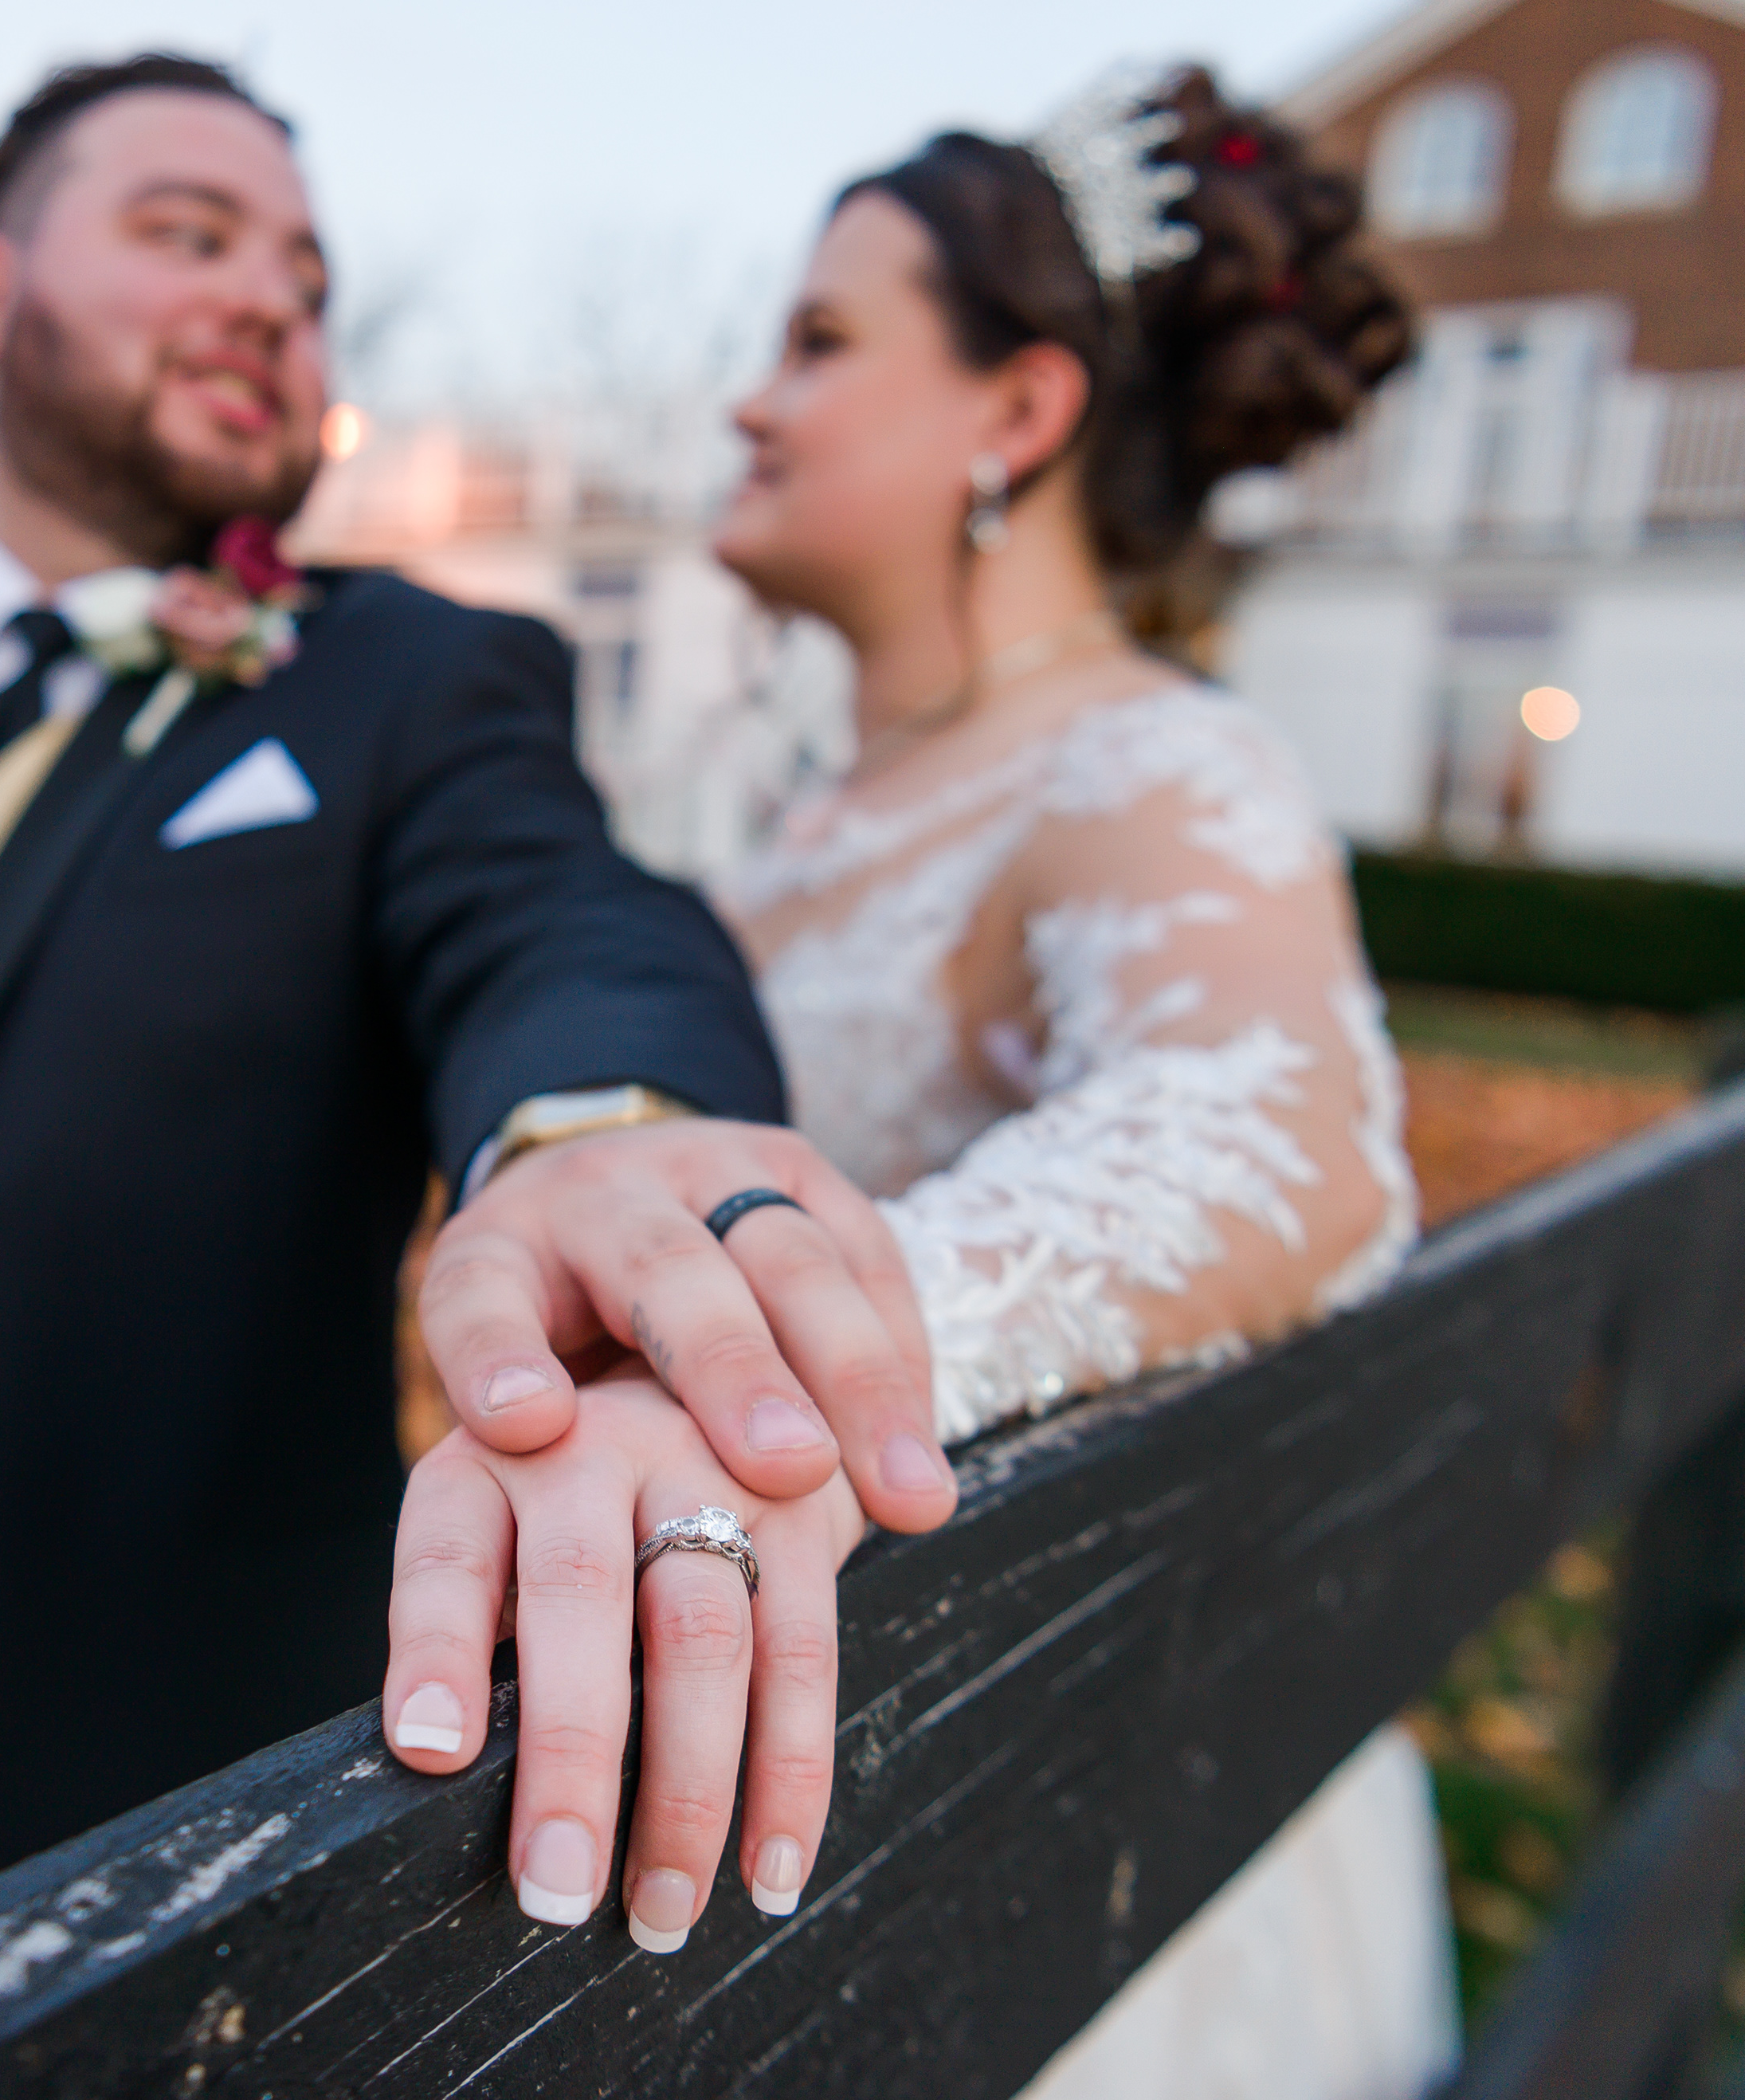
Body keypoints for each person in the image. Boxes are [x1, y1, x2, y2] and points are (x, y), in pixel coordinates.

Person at [0, 54, 955, 2096]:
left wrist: (604, 1145)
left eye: (304, 278)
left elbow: (560, 919)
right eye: (186, 234)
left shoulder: (411, 684)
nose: (268, 303)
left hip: (51, 1887)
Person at [383, 65, 1459, 2096]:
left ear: (1018, 413)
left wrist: (782, 1376)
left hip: (1073, 1789)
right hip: (813, 1758)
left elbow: (1280, 1139)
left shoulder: (1149, 755)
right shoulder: (791, 830)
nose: (748, 404)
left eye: (818, 341)